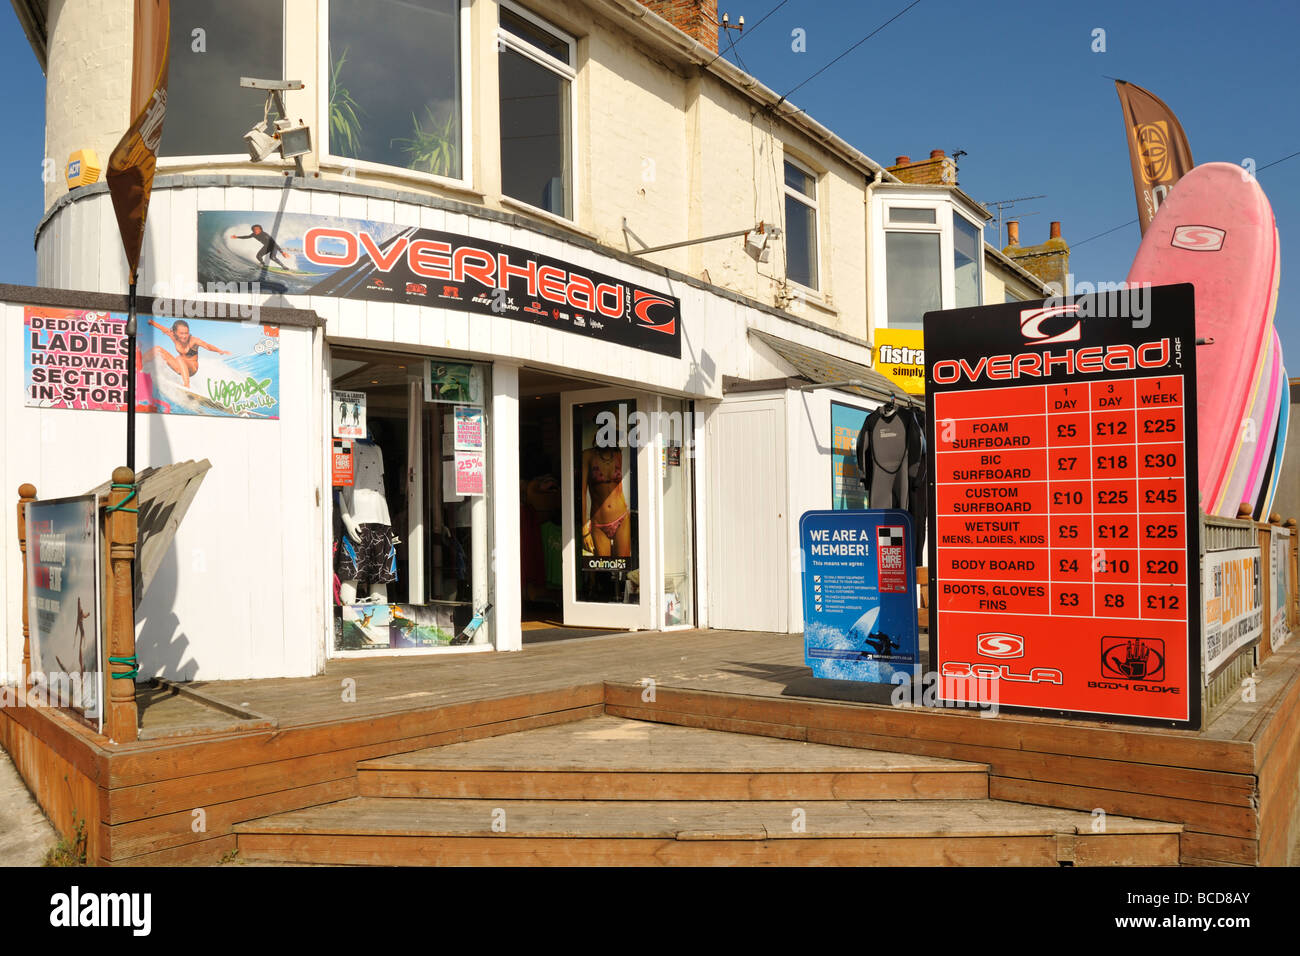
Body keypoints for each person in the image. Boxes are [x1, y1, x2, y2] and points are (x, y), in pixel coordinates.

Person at [581, 440, 632, 559]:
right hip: (599, 523)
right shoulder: (588, 455)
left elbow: (619, 488)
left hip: (622, 518)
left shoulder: (618, 454)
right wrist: (584, 530)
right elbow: (582, 492)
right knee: (603, 570)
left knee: (622, 567)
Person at [143, 319, 229, 388]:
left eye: (186, 333)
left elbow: (207, 346)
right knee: (157, 349)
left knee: (179, 358)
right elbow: (164, 329)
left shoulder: (193, 341)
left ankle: (187, 385)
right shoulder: (173, 337)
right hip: (180, 368)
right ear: (175, 332)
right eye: (181, 333)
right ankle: (139, 364)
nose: (184, 336)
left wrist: (219, 351)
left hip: (192, 369)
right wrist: (152, 322)